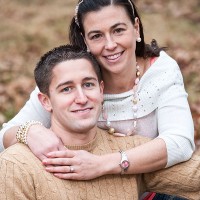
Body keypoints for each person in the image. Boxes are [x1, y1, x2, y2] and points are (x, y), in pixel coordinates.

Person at [0, 0, 194, 199]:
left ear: (135, 28)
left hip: (151, 186)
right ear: (85, 40)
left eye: (118, 30)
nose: (110, 45)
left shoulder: (160, 72)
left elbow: (180, 143)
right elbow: (5, 137)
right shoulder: (75, 74)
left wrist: (101, 164)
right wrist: (30, 131)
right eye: (97, 36)